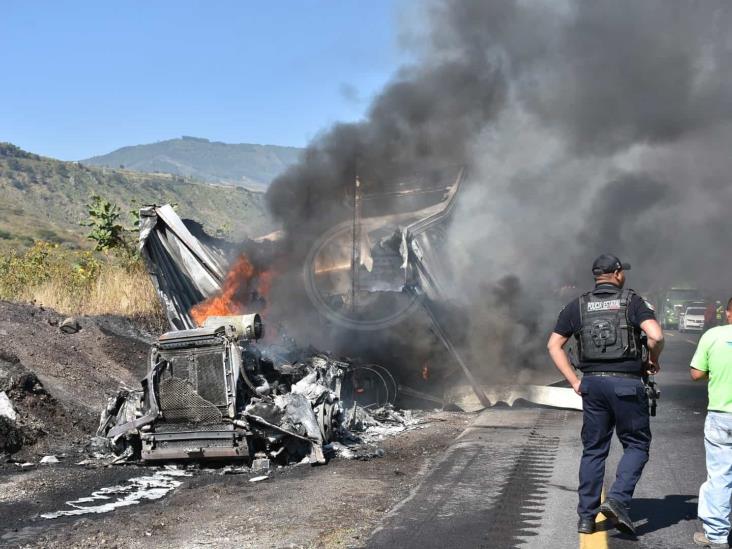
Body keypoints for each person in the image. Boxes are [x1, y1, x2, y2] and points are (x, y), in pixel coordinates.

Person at [547, 253, 664, 535]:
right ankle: (617, 500)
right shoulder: (633, 302)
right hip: (626, 384)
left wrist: (575, 381)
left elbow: (553, 345)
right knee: (636, 444)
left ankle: (586, 519)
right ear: (618, 273)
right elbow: (656, 335)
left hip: (593, 386)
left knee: (594, 450)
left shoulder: (577, 306)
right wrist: (653, 359)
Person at [691, 297, 732, 549]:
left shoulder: (713, 336)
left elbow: (696, 373)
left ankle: (716, 536)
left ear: (728, 313)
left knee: (720, 476)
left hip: (721, 416)